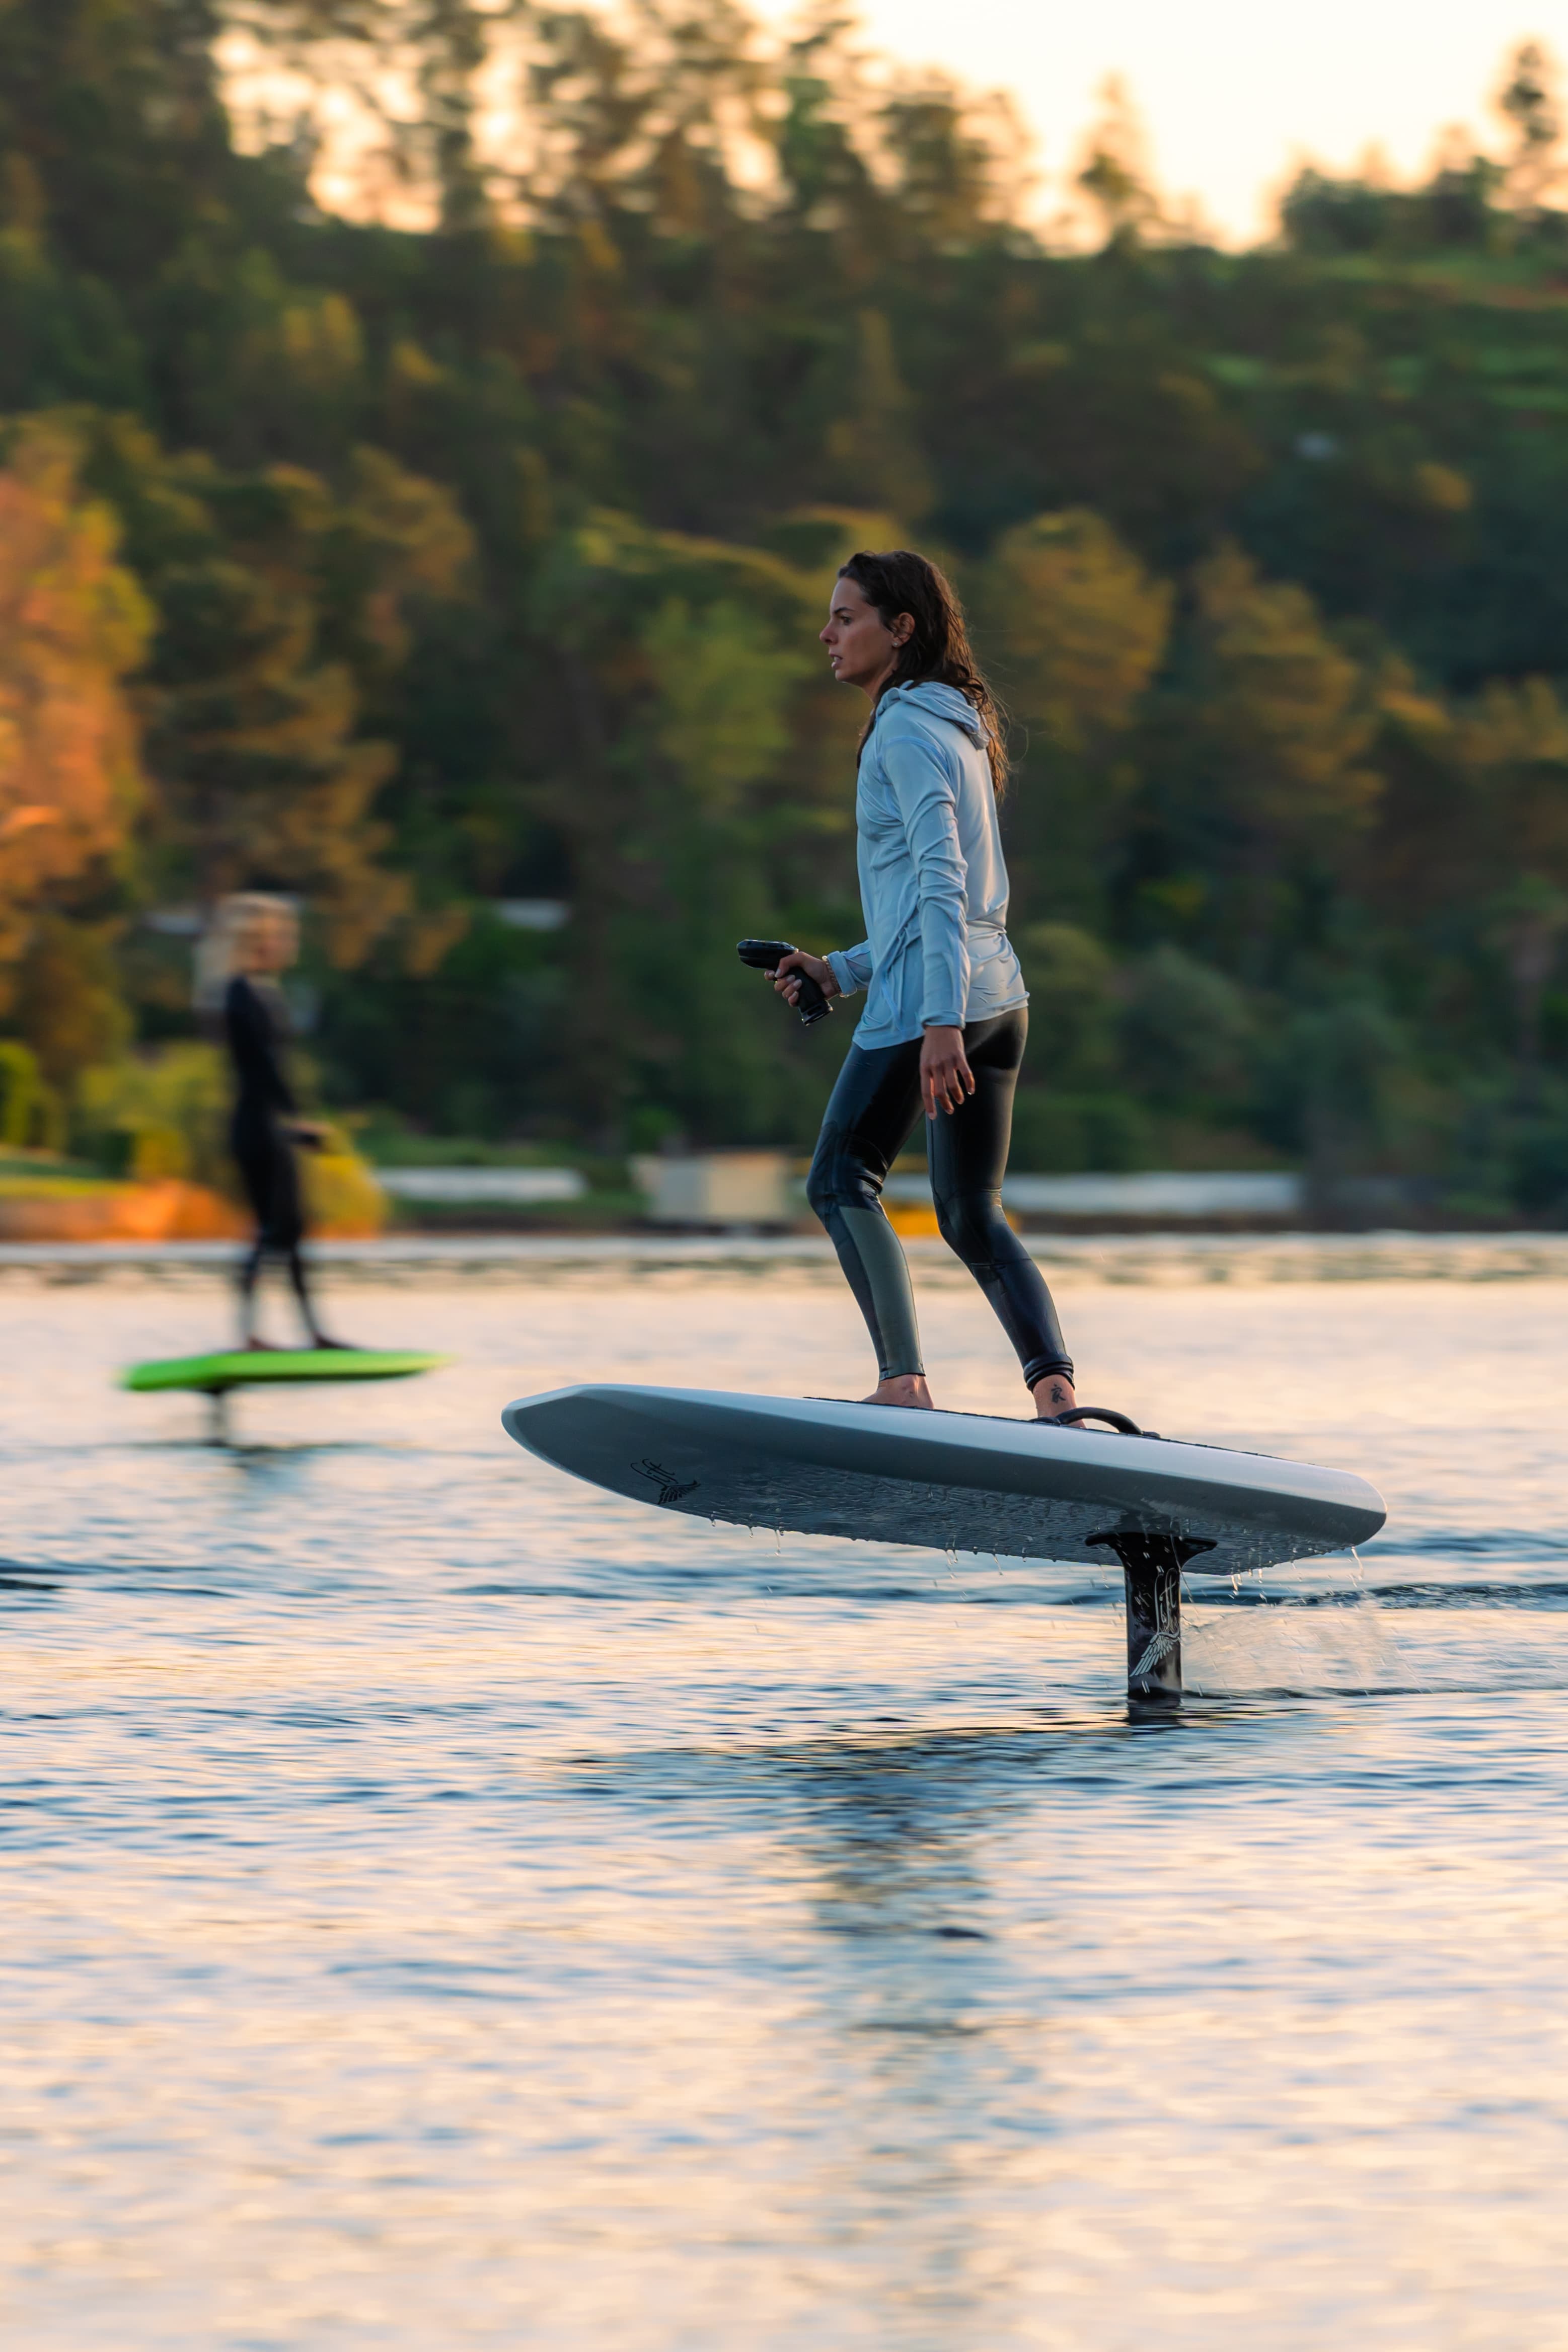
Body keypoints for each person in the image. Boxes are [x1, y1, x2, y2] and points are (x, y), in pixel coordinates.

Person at [774, 550, 1079, 1421]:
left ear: (900, 628)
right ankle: (1055, 1393)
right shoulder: (956, 724)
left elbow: (942, 882)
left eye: (846, 617)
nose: (828, 634)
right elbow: (935, 901)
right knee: (968, 1211)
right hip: (997, 996)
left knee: (840, 1180)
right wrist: (841, 969)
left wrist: (936, 1022)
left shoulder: (905, 732)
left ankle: (903, 1384)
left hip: (932, 1008)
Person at [198, 893, 348, 1352]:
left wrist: (293, 1121)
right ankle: (251, 1336)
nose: (288, 943)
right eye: (280, 935)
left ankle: (312, 1334)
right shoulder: (241, 991)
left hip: (268, 1124)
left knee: (290, 1229)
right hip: (258, 1126)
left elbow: (270, 1065)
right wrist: (297, 1117)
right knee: (274, 1229)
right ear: (258, 942)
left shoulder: (260, 990)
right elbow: (263, 1065)